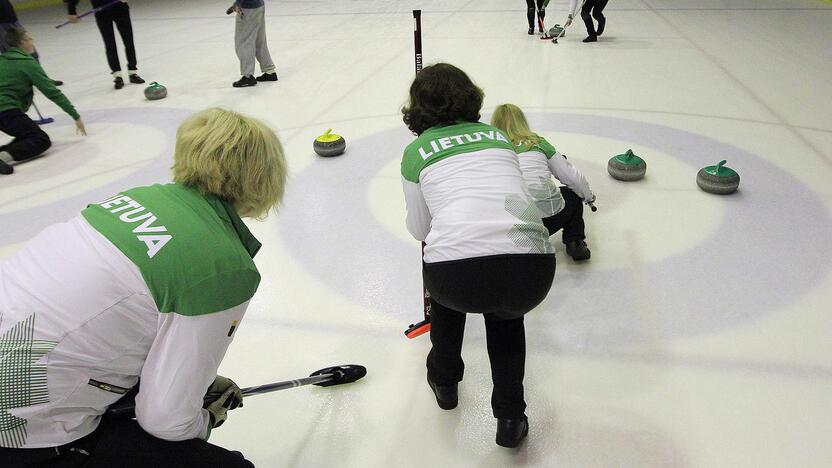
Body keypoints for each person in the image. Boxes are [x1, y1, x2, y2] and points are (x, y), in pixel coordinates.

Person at [0, 108, 288, 467]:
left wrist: (198, 381)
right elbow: (167, 421)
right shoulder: (223, 267)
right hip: (21, 434)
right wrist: (206, 418)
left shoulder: (136, 198)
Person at [401, 63, 555, 448]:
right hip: (532, 267)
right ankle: (509, 418)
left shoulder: (417, 151)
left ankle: (444, 380)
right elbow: (515, 199)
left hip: (456, 278)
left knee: (448, 286)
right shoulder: (497, 138)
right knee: (506, 319)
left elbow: (421, 230)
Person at [491, 104, 595, 261]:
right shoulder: (538, 143)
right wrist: (588, 197)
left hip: (509, 227)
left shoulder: (490, 149)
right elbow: (572, 178)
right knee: (571, 194)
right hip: (545, 221)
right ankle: (575, 242)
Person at [0, 28, 85, 176]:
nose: (32, 41)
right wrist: (75, 115)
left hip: (6, 111)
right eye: (29, 38)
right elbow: (52, 92)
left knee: (26, 135)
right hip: (6, 110)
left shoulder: (2, 60)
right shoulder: (28, 63)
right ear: (22, 43)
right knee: (39, 139)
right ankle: (3, 157)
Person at [65, 0, 145, 89]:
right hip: (101, 12)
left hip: (120, 9)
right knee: (110, 44)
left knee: (128, 41)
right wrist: (71, 11)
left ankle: (132, 72)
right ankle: (117, 75)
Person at [0, 0, 63, 85]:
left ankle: (41, 79)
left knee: (30, 50)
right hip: (3, 25)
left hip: (12, 20)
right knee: (13, 54)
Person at [231, 0, 277, 88]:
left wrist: (238, 3)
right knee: (260, 41)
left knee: (244, 42)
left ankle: (248, 76)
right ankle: (270, 71)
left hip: (248, 8)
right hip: (259, 5)